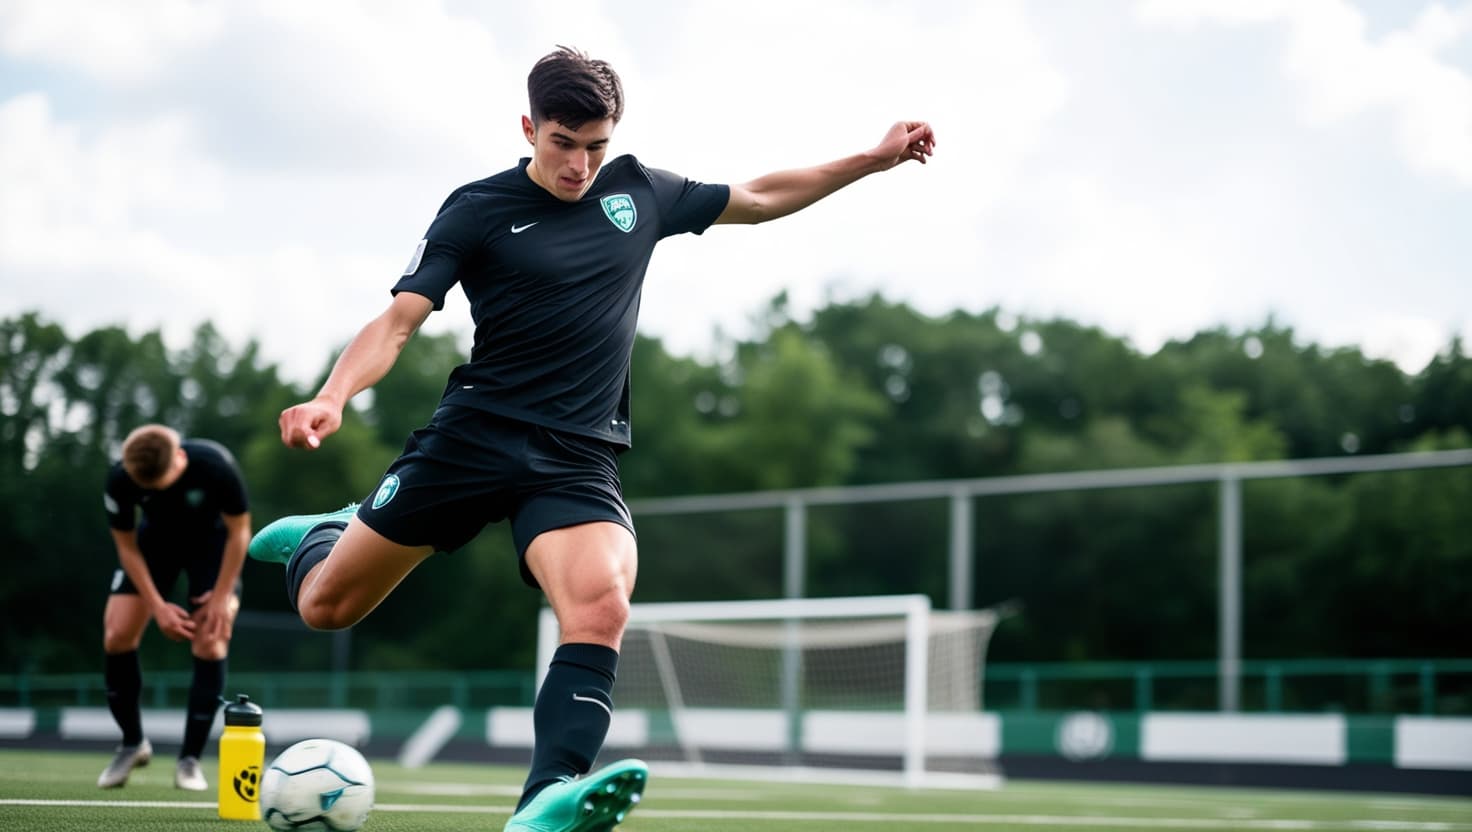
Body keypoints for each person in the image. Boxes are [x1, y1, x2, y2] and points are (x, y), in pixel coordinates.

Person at [247, 45, 934, 831]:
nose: (580, 164)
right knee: (326, 608)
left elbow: (761, 196)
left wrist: (871, 162)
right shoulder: (476, 208)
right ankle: (334, 532)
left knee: (602, 605)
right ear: (529, 127)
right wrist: (333, 396)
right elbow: (400, 321)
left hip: (575, 456)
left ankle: (546, 799)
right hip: (473, 438)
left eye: (595, 145)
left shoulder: (640, 192)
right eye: (563, 144)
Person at [98, 424, 251, 791]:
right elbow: (127, 546)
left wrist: (220, 596)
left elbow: (239, 532)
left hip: (213, 549)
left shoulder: (215, 465)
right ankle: (132, 743)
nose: (153, 492)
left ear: (180, 457)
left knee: (212, 639)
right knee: (117, 633)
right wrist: (158, 607)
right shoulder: (121, 478)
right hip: (155, 548)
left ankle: (189, 760)